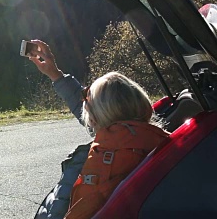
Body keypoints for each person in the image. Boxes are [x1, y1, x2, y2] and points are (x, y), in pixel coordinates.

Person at [28, 40, 169, 219]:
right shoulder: (150, 141)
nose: (83, 103)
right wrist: (55, 75)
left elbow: (57, 212)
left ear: (94, 118)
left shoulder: (91, 163)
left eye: (87, 99)